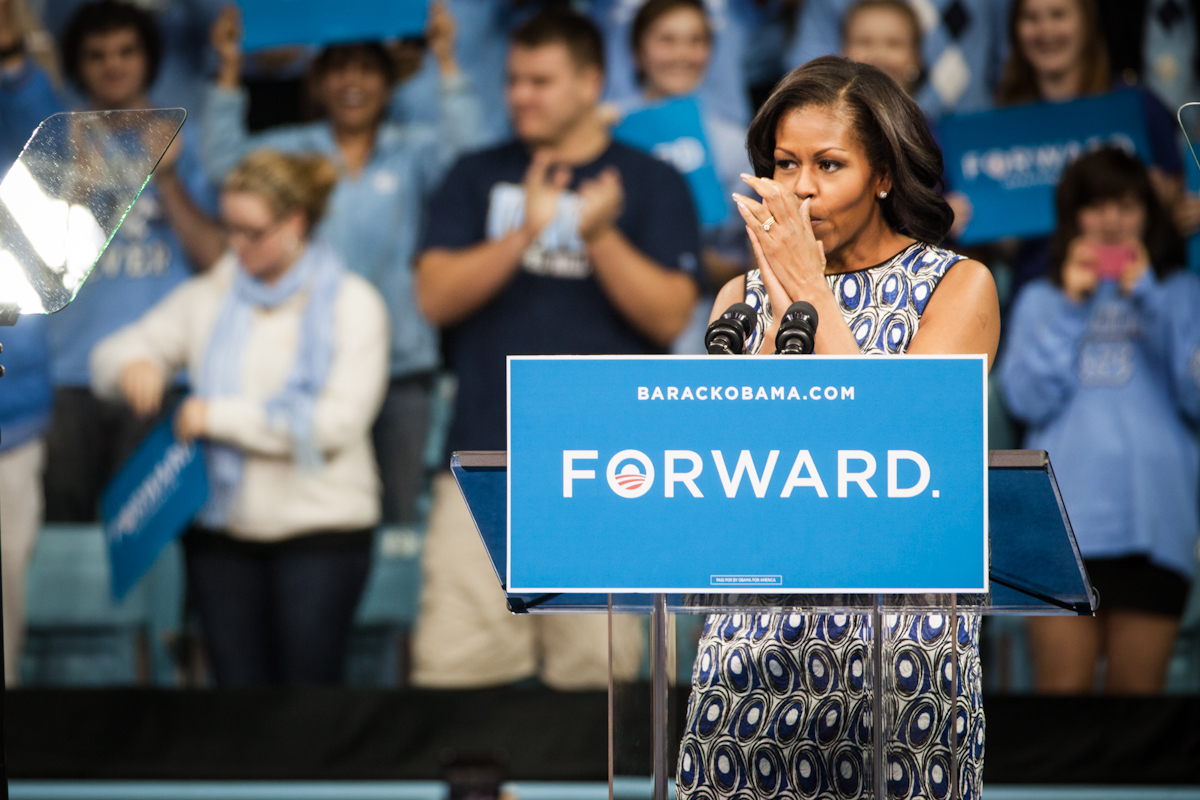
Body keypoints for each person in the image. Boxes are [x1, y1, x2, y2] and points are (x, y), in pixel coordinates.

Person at [678, 56, 1000, 798]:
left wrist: (808, 290)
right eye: (785, 164)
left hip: (902, 652)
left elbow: (898, 446)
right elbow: (724, 469)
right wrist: (776, 296)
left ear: (883, 174)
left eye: (829, 164)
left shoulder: (957, 285)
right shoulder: (740, 292)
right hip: (753, 644)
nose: (800, 190)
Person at [412, 8, 702, 689]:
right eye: (514, 80)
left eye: (540, 81)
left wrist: (597, 233)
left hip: (608, 471)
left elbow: (667, 316)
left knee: (600, 680)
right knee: (456, 670)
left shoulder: (650, 181)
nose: (521, 96)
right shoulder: (475, 174)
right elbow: (433, 297)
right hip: (484, 460)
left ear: (589, 83)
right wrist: (524, 234)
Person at [91, 150, 389, 686]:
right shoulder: (214, 295)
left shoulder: (353, 303)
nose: (236, 245)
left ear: (296, 222)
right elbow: (106, 357)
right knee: (235, 705)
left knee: (309, 702)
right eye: (229, 229)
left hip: (322, 531)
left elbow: (333, 426)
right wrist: (134, 364)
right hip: (222, 534)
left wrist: (215, 417)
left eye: (253, 232)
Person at [203, 3, 484, 527]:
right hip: (310, 367)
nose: (352, 81)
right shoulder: (294, 151)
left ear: (389, 80)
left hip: (403, 367)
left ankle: (393, 616)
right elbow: (223, 166)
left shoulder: (413, 150)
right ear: (318, 81)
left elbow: (470, 162)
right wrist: (228, 67)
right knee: (318, 511)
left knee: (400, 520)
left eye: (366, 68)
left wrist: (446, 60)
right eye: (338, 67)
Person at [0, 0, 221, 522]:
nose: (114, 64)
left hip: (159, 375)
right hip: (69, 376)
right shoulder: (52, 143)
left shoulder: (189, 143)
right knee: (62, 551)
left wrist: (165, 177)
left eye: (127, 51)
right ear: (80, 66)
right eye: (97, 55)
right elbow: (28, 257)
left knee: (153, 559)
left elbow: (216, 259)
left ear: (150, 58)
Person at [999, 148, 1200, 694]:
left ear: (1147, 214)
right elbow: (1024, 401)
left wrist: (1151, 299)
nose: (1111, 220)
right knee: (1061, 701)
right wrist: (1070, 305)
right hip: (1058, 529)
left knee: (1140, 706)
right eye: (1095, 205)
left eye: (1126, 204)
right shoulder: (1040, 299)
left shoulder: (1183, 292)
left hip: (1155, 521)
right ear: (1073, 217)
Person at [996, 0, 1189, 302]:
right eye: (1031, 18)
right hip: (1039, 301)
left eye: (1058, 15)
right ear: (1014, 30)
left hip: (1138, 299)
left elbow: (1178, 207)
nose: (1045, 31)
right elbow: (997, 242)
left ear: (1086, 21)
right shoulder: (997, 121)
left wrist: (1168, 200)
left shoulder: (1138, 108)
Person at [626, 0, 752, 318]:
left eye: (696, 41)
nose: (682, 54)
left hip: (706, 310)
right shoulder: (605, 130)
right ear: (637, 51)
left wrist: (695, 259)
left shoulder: (736, 145)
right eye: (667, 40)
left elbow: (745, 264)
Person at [788, 0, 1012, 119]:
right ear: (840, 50)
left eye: (894, 43)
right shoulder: (830, 129)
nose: (877, 54)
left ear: (918, 57)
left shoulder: (931, 135)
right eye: (864, 41)